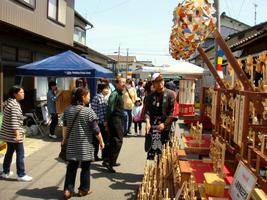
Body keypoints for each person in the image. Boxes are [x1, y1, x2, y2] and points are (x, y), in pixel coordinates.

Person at [62, 87, 104, 198]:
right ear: (83, 97)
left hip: (71, 144)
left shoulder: (68, 110)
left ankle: (68, 190)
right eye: (88, 96)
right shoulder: (88, 111)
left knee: (71, 167)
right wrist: (101, 141)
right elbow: (96, 130)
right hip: (85, 145)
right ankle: (83, 190)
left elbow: (65, 127)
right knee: (85, 168)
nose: (89, 98)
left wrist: (64, 140)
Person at [0, 85, 33, 181]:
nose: (23, 94)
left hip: (8, 134)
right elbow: (14, 121)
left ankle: (5, 172)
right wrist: (18, 135)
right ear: (15, 94)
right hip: (13, 135)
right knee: (20, 154)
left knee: (9, 153)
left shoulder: (9, 102)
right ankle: (21, 174)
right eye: (21, 92)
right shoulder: (14, 105)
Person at [144, 73, 176, 160]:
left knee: (164, 153)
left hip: (165, 127)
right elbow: (147, 111)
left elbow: (172, 112)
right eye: (157, 81)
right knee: (153, 151)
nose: (160, 83)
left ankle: (162, 172)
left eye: (161, 80)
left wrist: (164, 124)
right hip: (153, 127)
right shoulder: (150, 96)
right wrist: (147, 122)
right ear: (153, 84)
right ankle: (153, 172)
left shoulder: (170, 94)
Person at [104, 77, 126, 173]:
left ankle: (108, 161)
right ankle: (110, 162)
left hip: (117, 119)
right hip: (115, 119)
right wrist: (106, 120)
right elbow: (110, 108)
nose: (124, 84)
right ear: (117, 84)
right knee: (118, 141)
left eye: (125, 82)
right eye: (122, 82)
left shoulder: (119, 93)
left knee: (113, 140)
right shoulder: (115, 94)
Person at [91, 83, 109, 162]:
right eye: (106, 88)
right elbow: (103, 112)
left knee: (95, 141)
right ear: (102, 89)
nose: (107, 90)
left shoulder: (97, 97)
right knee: (103, 140)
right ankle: (104, 157)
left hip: (96, 122)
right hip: (100, 123)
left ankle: (94, 156)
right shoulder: (100, 98)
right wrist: (105, 122)